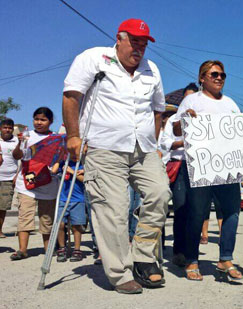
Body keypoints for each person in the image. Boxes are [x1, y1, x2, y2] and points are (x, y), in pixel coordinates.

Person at [62, 19, 172, 294]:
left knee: (159, 194)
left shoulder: (152, 69)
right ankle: (120, 272)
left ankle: (143, 257)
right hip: (104, 146)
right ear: (119, 39)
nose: (139, 48)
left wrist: (155, 141)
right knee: (113, 209)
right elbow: (72, 96)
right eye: (134, 41)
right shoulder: (94, 58)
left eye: (144, 43)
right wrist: (73, 136)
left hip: (143, 148)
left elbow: (158, 109)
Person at [171, 60, 243, 281]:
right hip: (200, 167)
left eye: (223, 75)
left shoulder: (230, 103)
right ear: (202, 78)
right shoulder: (191, 100)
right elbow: (176, 129)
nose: (219, 78)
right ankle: (192, 260)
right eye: (214, 74)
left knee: (232, 213)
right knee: (197, 214)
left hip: (228, 169)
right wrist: (185, 119)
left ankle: (226, 258)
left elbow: (241, 133)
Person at [10, 107, 59, 261]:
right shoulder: (26, 136)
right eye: (36, 119)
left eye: (43, 120)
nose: (39, 122)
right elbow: (17, 156)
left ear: (50, 121)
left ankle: (48, 249)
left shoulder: (55, 139)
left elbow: (59, 158)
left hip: (48, 184)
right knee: (25, 216)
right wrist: (19, 143)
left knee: (47, 218)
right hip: (26, 183)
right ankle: (22, 250)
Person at [159, 82, 197, 267]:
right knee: (181, 208)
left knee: (196, 211)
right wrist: (184, 143)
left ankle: (192, 251)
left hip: (198, 168)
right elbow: (165, 143)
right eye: (186, 98)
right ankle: (179, 251)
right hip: (179, 166)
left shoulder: (206, 119)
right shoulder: (174, 119)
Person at [51, 159, 86, 262]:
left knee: (76, 225)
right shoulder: (63, 162)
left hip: (77, 198)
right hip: (62, 198)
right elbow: (53, 171)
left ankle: (77, 249)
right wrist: (60, 158)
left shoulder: (82, 164)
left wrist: (72, 171)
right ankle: (62, 247)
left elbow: (84, 179)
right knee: (60, 224)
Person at [0, 118, 19, 238]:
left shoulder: (17, 141)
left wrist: (17, 176)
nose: (7, 130)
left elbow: (22, 160)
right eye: (5, 127)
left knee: (2, 207)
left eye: (9, 128)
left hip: (8, 178)